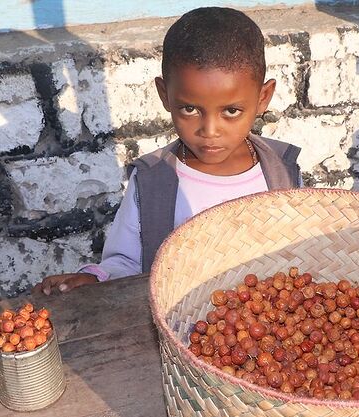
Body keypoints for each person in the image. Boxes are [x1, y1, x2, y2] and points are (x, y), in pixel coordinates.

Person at [33, 7, 302, 295]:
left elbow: (302, 253)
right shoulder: (153, 182)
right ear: (165, 95)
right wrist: (95, 279)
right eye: (190, 109)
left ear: (263, 98)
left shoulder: (281, 172)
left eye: (231, 111)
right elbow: (125, 262)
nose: (210, 130)